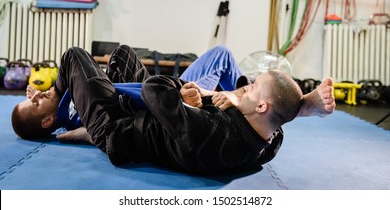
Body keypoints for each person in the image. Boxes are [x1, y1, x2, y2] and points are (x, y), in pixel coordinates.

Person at [12, 45, 335, 175]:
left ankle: (81, 118)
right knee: (119, 57)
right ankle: (77, 106)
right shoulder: (267, 141)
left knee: (74, 57)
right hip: (152, 115)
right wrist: (301, 106)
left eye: (249, 89)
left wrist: (199, 97)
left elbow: (155, 89)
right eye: (37, 101)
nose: (243, 88)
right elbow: (273, 121)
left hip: (116, 128)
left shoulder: (211, 132)